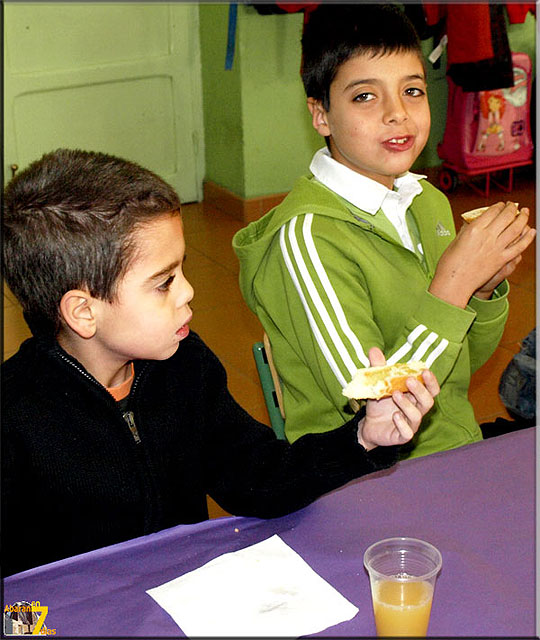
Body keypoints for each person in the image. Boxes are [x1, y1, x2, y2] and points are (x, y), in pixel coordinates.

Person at [1, 148, 440, 576]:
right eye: (164, 282)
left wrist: (363, 438)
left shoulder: (185, 366)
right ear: (83, 312)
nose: (188, 291)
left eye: (182, 271)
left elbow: (257, 479)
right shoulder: (14, 418)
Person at [232, 4, 535, 457]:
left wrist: (482, 290)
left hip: (452, 446)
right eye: (364, 96)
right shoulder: (309, 237)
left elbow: (458, 367)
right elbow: (373, 405)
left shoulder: (424, 199)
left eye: (412, 90)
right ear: (320, 115)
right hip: (363, 477)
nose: (397, 113)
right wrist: (452, 287)